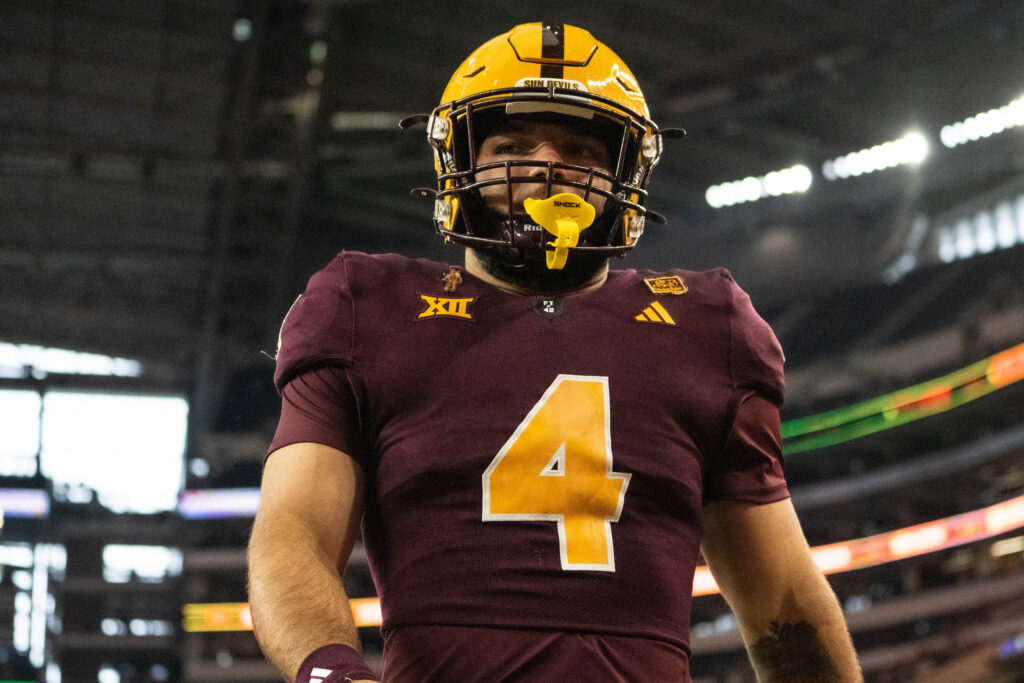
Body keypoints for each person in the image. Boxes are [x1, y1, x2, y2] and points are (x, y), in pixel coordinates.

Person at [248, 22, 862, 683]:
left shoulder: (710, 324)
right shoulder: (364, 305)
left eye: (580, 150)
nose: (546, 165)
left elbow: (785, 602)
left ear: (625, 175)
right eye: (511, 144)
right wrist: (334, 673)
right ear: (460, 165)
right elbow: (293, 535)